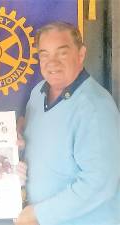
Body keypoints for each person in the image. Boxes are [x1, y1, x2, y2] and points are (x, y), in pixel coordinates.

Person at [15, 22, 120, 225]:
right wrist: (19, 139)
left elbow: (99, 184)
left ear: (81, 54)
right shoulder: (38, 93)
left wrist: (39, 214)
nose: (51, 63)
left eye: (62, 53)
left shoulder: (95, 107)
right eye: (44, 55)